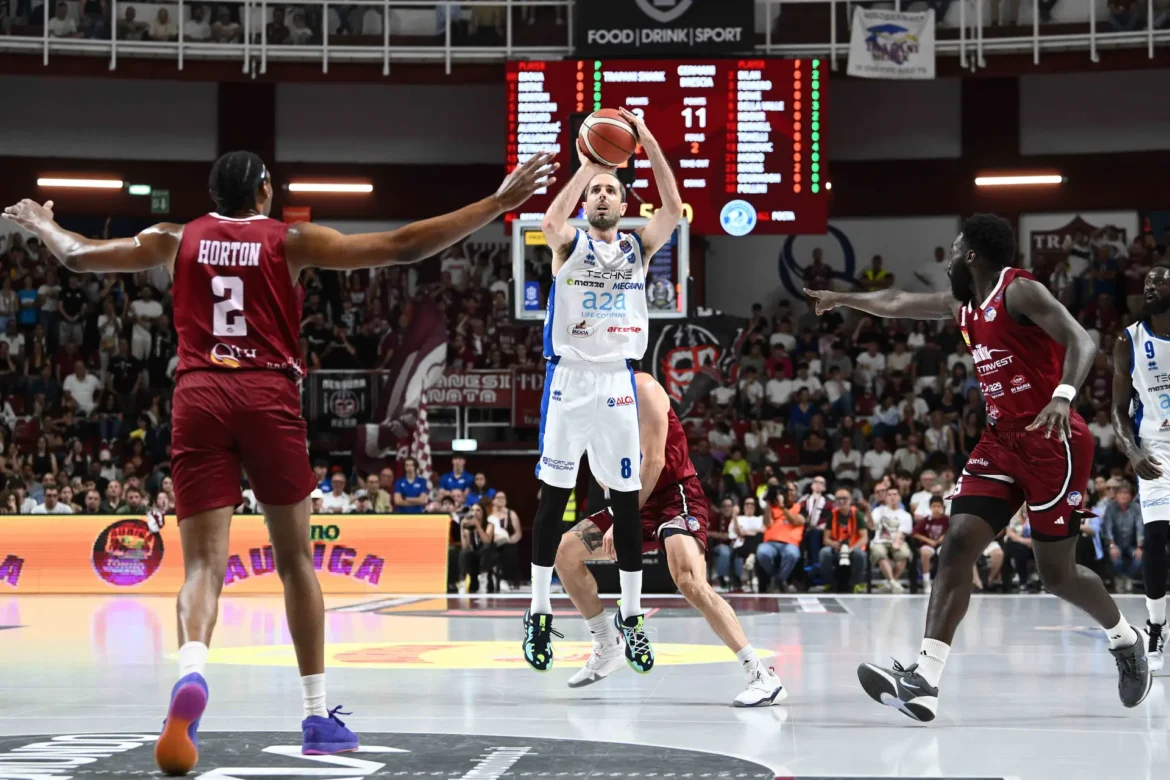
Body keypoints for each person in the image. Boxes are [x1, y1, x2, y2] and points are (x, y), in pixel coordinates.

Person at [2, 147, 556, 773]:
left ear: (214, 196)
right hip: (267, 394)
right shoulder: (288, 240)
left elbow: (77, 256)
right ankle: (317, 715)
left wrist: (43, 223)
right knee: (296, 563)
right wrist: (498, 205)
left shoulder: (173, 237)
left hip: (200, 394)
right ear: (263, 192)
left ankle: (190, 674)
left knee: (204, 567)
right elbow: (401, 246)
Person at [807, 213, 1150, 722]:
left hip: (1054, 441)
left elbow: (1083, 340)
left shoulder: (1020, 292)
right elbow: (898, 302)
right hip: (998, 443)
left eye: (952, 248)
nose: (946, 257)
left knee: (1056, 576)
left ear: (971, 255)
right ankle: (924, 680)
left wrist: (1062, 395)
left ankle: (1125, 638)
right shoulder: (961, 305)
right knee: (957, 545)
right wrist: (842, 298)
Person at [525, 108, 680, 674]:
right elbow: (549, 216)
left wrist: (649, 138)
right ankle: (540, 609)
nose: (602, 197)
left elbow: (669, 207)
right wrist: (589, 163)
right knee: (552, 499)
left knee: (622, 500)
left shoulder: (638, 250)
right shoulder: (567, 245)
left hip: (617, 379)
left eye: (611, 190)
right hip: (569, 379)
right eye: (594, 192)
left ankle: (632, 617)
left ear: (623, 202)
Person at [554, 372, 784, 706]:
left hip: (674, 496)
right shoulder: (585, 404)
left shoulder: (642, 388)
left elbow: (656, 461)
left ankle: (760, 674)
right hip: (630, 499)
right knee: (564, 552)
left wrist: (623, 518)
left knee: (688, 579)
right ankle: (607, 646)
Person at [1112, 263, 1170, 670]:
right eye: (1146, 282)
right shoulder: (1128, 339)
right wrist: (1132, 452)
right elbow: (1116, 409)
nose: (1150, 286)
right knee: (1156, 541)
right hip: (1154, 451)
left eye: (1159, 281)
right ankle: (1155, 625)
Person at [869, 486, 913, 593]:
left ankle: (890, 583)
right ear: (886, 498)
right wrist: (867, 510)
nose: (892, 497)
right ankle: (893, 582)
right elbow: (871, 526)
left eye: (895, 494)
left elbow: (902, 532)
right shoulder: (877, 511)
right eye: (889, 495)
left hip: (897, 540)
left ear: (899, 497)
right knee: (879, 552)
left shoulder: (905, 515)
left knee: (904, 553)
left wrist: (897, 541)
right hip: (879, 541)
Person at [911, 496, 950, 594]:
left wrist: (944, 536)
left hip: (942, 545)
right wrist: (929, 540)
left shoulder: (947, 519)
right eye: (934, 506)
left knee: (946, 553)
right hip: (928, 544)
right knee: (924, 553)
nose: (936, 509)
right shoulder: (926, 520)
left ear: (942, 507)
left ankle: (943, 581)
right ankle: (926, 580)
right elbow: (914, 533)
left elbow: (954, 531)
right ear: (930, 507)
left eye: (938, 506)